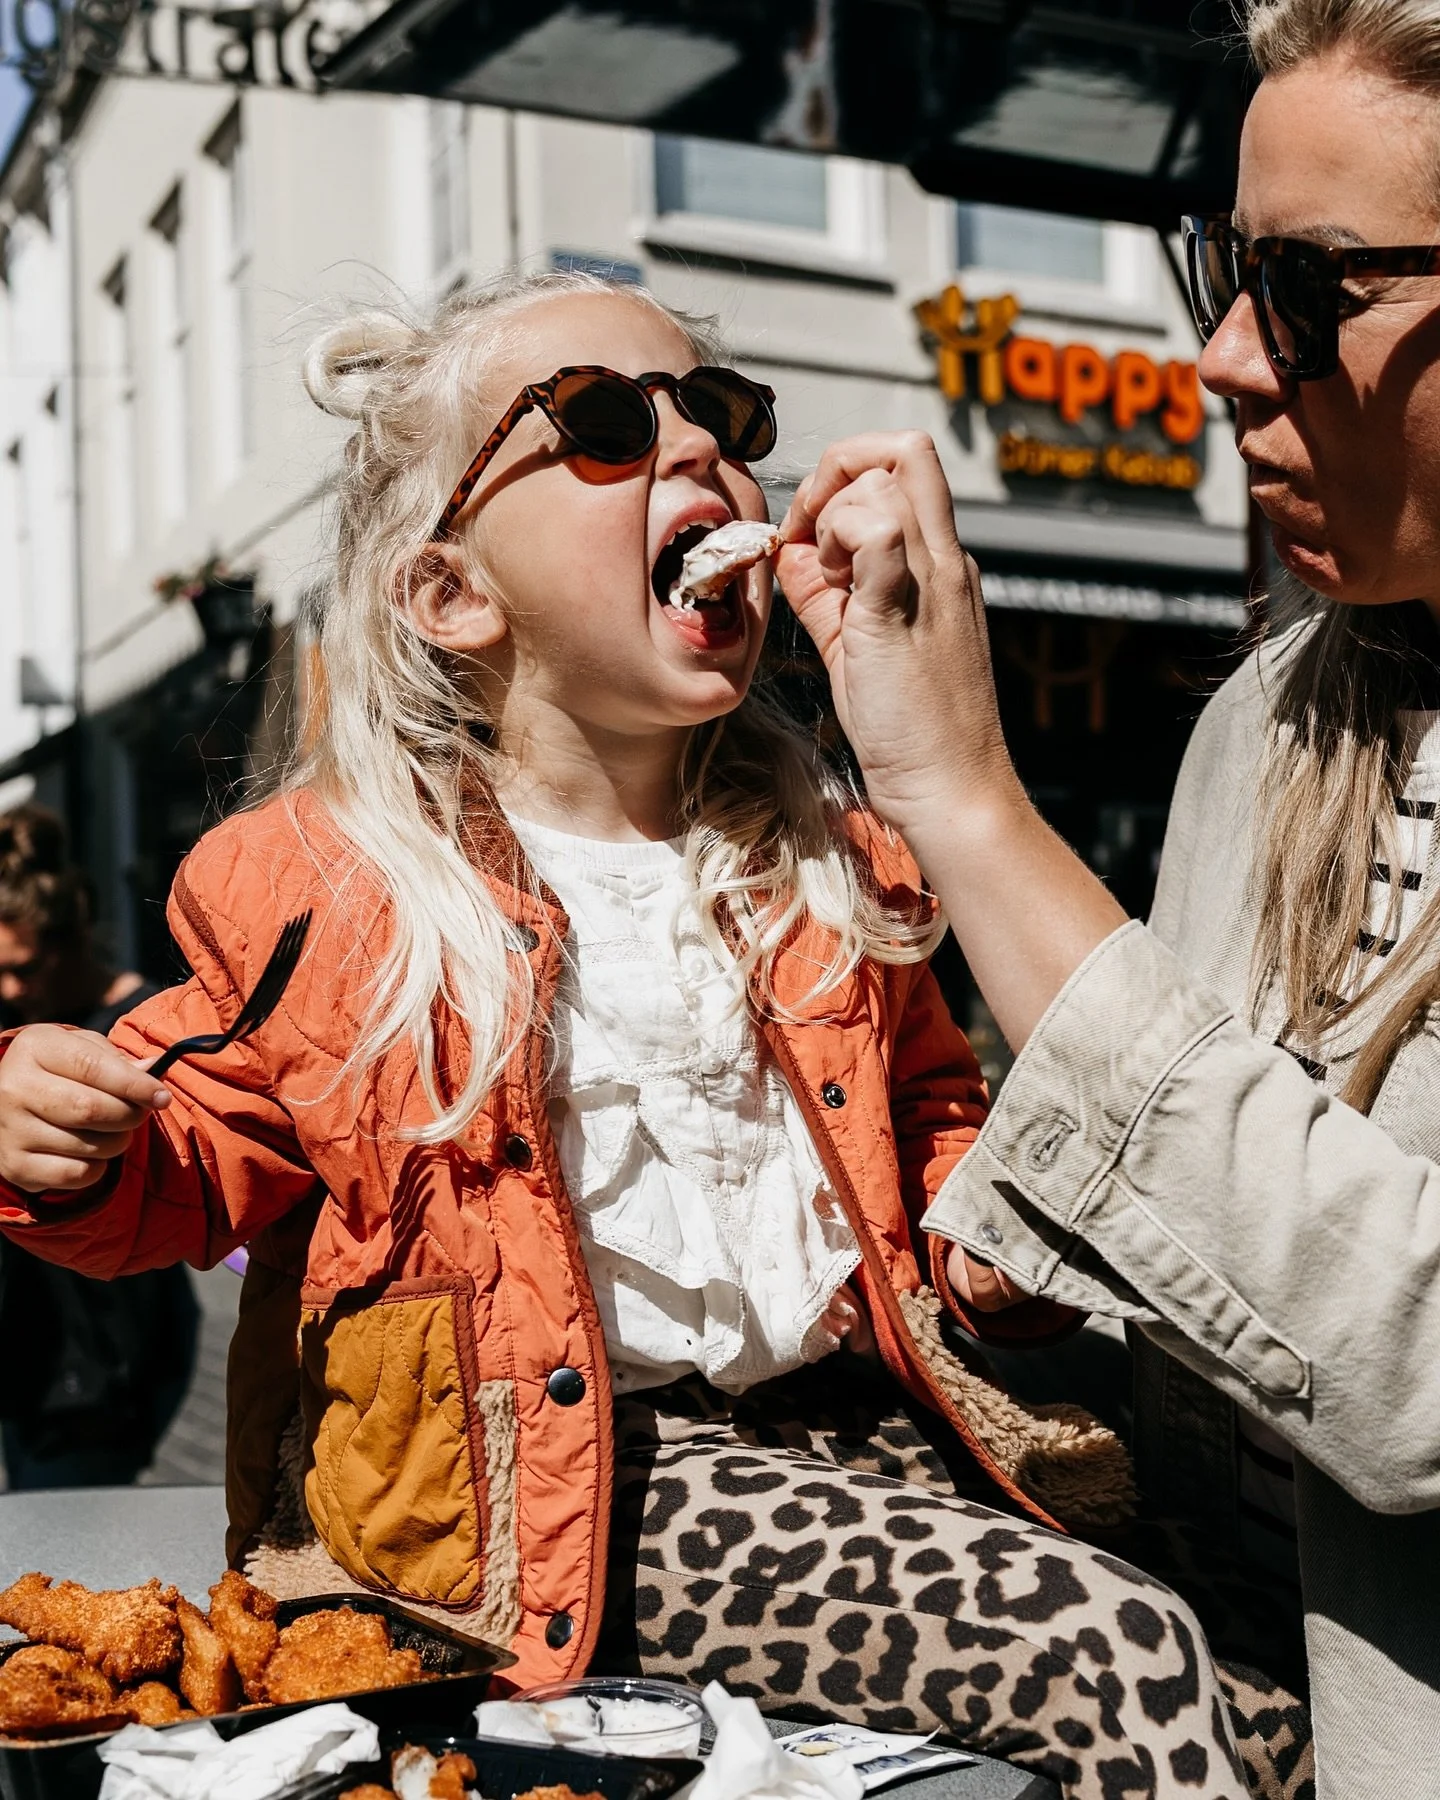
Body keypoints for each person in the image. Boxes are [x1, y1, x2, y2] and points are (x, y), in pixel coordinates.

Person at [0, 272, 1296, 1798]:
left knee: (1263, 1657)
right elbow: (207, 1145)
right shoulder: (335, 884)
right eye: (605, 426)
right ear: (452, 596)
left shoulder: (831, 853)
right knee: (1109, 1653)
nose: (700, 451)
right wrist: (74, 1145)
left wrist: (989, 1256)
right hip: (576, 1486)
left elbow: (939, 1124)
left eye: (723, 415)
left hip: (872, 1429)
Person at [761, 3, 1440, 1795]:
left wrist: (970, 802)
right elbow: (1232, 1289)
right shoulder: (1269, 719)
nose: (1223, 356)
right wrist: (1034, 1281)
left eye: (1313, 286)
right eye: (1222, 263)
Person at [0, 805, 198, 1488]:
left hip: (101, 1356)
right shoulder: (10, 1020)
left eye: (23, 967)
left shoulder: (144, 1024)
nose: (11, 988)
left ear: (71, 938)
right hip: (23, 1343)